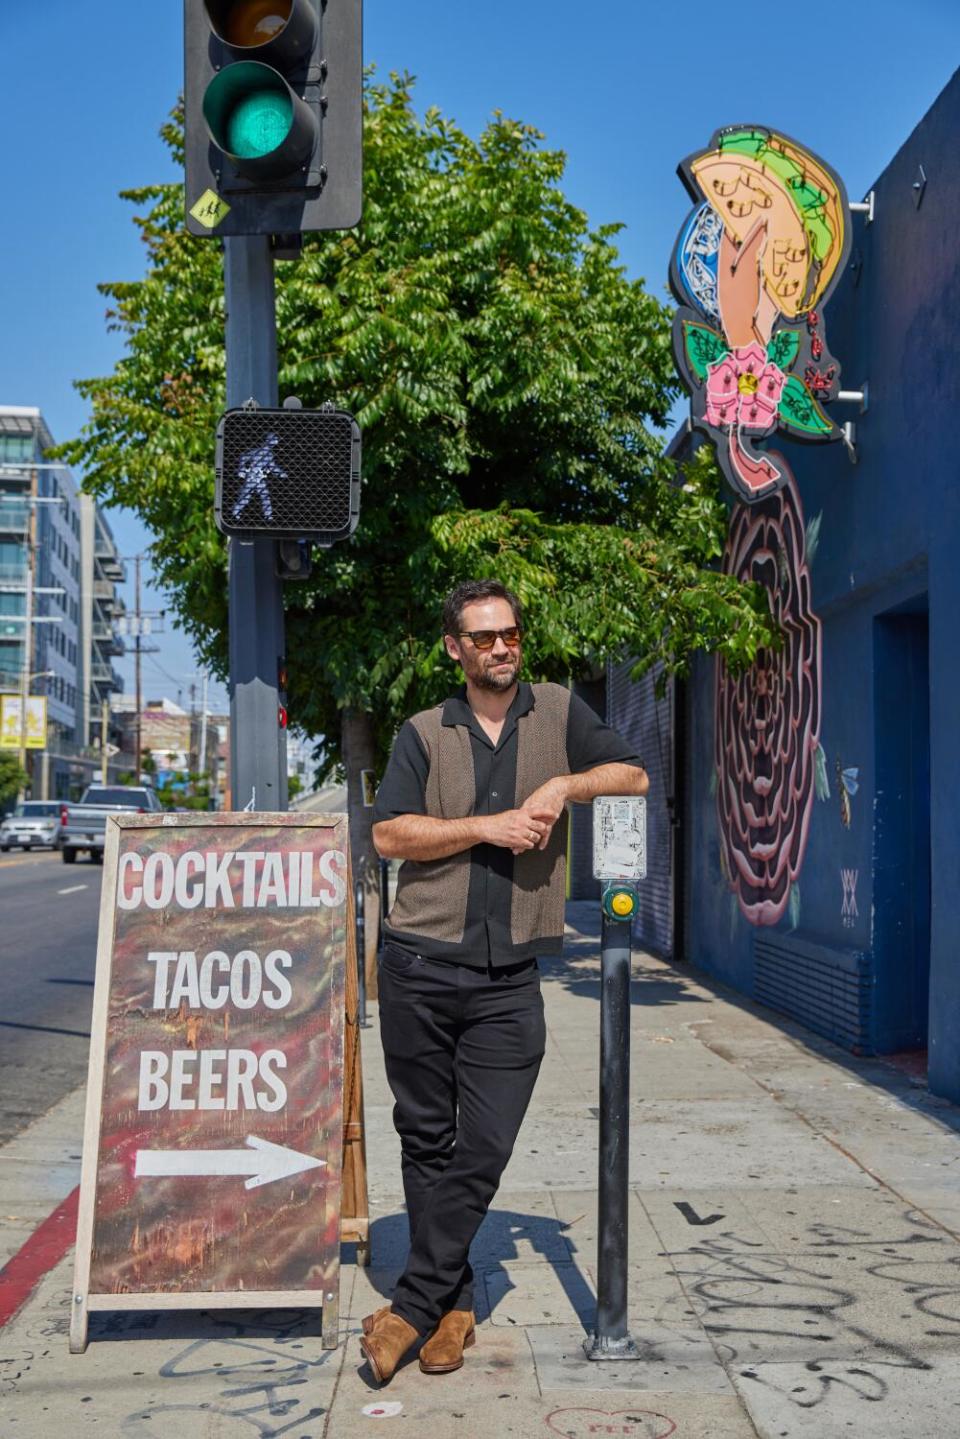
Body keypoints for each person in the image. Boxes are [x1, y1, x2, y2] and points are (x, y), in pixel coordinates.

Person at [359, 579, 648, 1384]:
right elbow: (388, 832)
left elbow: (632, 776)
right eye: (483, 636)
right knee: (426, 1139)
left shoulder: (556, 713)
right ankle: (450, 1307)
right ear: (455, 647)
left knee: (483, 1143)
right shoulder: (423, 731)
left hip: (508, 974)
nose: (500, 646)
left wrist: (562, 785)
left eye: (510, 632)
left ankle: (409, 1306)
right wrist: (487, 826)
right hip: (417, 964)